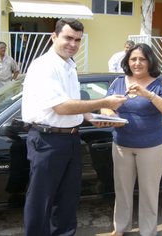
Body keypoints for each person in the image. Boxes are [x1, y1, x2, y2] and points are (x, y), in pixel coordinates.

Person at [21, 18, 127, 236]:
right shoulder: (44, 66)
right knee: (41, 201)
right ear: (54, 36)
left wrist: (91, 117)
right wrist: (104, 102)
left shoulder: (69, 66)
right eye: (68, 38)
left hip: (70, 139)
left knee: (68, 199)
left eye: (77, 40)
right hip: (47, 140)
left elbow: (71, 102)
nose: (73, 44)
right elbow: (60, 107)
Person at [101, 43, 162, 236]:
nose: (137, 63)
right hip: (121, 144)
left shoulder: (160, 85)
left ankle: (147, 231)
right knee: (122, 189)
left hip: (150, 147)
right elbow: (105, 106)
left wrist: (149, 95)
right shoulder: (117, 82)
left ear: (150, 61)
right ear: (127, 61)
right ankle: (120, 228)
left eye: (142, 59)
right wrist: (110, 115)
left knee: (148, 191)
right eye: (133, 59)